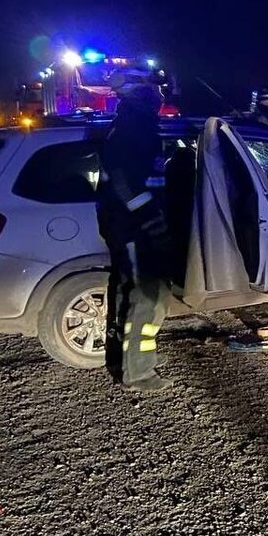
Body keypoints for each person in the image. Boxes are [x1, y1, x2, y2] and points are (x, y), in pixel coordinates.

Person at [97, 72, 173, 392]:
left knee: (128, 289)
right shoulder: (133, 128)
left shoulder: (130, 124)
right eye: (152, 90)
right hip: (131, 225)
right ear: (139, 93)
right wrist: (150, 218)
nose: (157, 96)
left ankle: (119, 357)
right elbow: (124, 180)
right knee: (149, 295)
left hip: (124, 222)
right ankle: (139, 371)